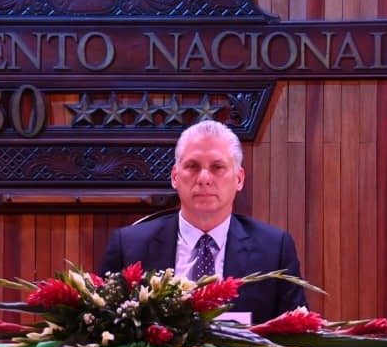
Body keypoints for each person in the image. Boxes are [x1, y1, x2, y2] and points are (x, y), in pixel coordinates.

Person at [99, 120, 308, 324]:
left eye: (218, 167)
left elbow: (296, 336)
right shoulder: (129, 246)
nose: (204, 178)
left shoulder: (273, 249)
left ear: (239, 179)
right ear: (174, 177)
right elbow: (101, 329)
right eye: (192, 166)